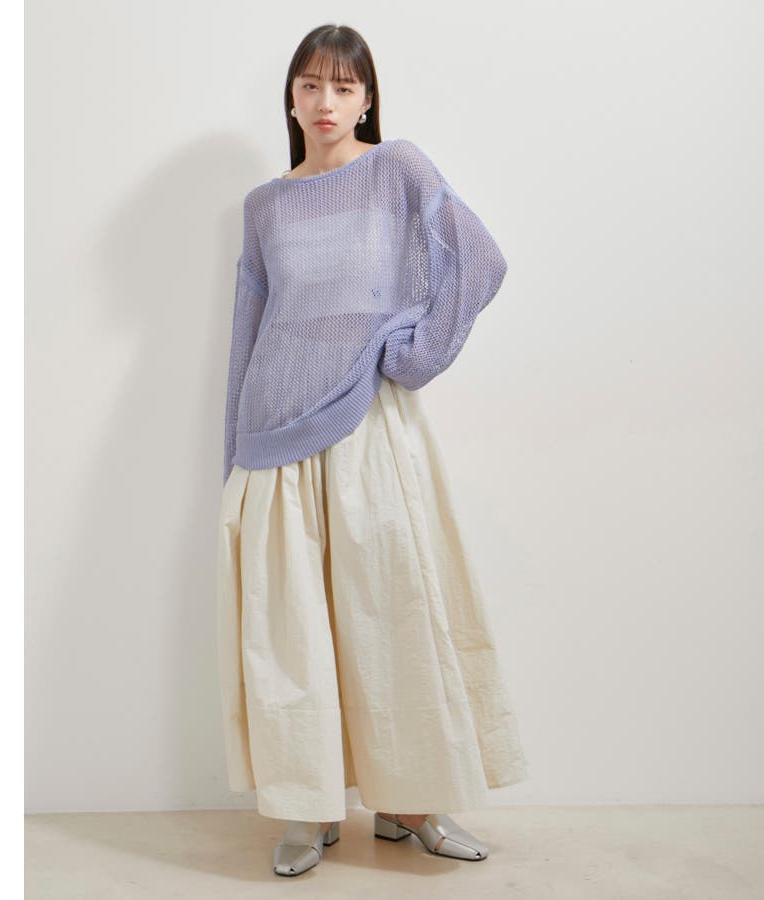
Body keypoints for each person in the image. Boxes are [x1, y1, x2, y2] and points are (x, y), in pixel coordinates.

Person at [216, 23, 529, 877]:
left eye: (344, 87)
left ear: (366, 99)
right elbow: (248, 330)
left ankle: (410, 804)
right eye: (311, 85)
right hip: (275, 440)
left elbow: (480, 258)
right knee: (291, 634)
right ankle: (308, 808)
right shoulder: (264, 205)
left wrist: (414, 354)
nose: (326, 102)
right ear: (290, 98)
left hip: (364, 426)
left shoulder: (398, 169)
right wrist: (233, 457)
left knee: (393, 614)